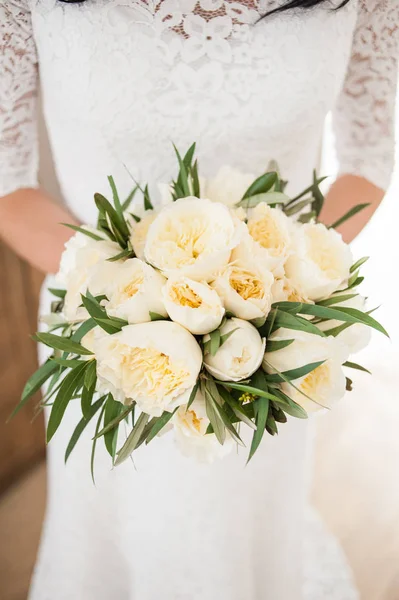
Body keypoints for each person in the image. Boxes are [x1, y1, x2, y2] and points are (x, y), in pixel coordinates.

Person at [0, 0, 397, 598]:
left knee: (248, 519)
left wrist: (280, 285)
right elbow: (8, 181)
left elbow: (368, 159)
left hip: (268, 335)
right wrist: (136, 296)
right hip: (100, 326)